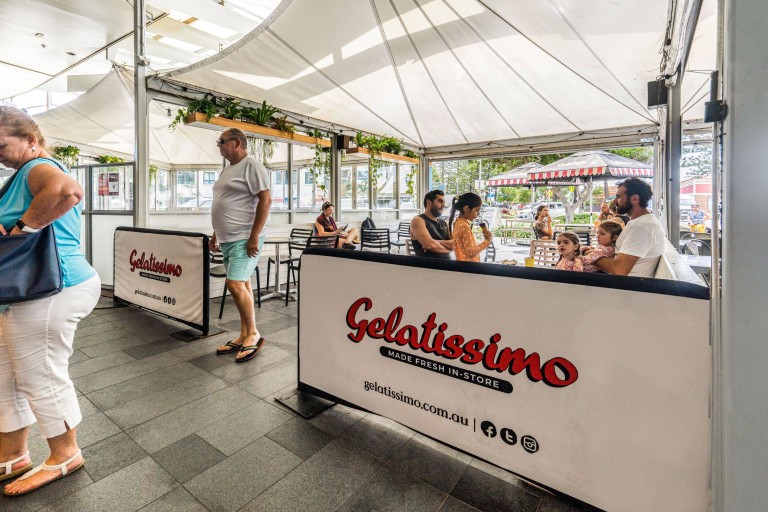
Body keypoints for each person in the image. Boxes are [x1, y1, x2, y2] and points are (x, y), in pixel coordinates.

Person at [0, 106, 100, 495]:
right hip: (23, 291)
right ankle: (13, 455)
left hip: (53, 287)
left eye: (0, 144)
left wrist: (20, 229)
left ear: (30, 140)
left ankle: (65, 454)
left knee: (39, 373)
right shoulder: (21, 174)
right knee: (7, 375)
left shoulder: (37, 168)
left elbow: (66, 191)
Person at [210, 128, 271, 362]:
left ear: (236, 143)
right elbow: (224, 202)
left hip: (244, 237)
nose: (219, 145)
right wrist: (215, 233)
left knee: (234, 284)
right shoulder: (227, 169)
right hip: (228, 238)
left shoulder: (252, 166)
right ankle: (244, 334)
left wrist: (255, 235)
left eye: (222, 141)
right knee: (242, 284)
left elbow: (266, 199)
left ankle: (253, 333)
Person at [595, 177, 667, 277]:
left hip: (624, 285)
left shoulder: (640, 227)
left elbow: (619, 269)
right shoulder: (642, 222)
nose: (614, 202)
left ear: (634, 199)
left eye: (619, 197)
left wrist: (592, 257)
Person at [449, 192, 493, 262]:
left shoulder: (458, 223)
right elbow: (471, 252)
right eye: (477, 210)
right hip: (469, 266)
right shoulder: (464, 226)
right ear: (466, 209)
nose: (478, 214)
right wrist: (488, 241)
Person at [410, 190, 453, 258]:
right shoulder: (418, 221)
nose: (443, 205)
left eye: (444, 202)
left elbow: (456, 244)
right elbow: (430, 245)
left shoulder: (445, 223)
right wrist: (449, 250)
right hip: (428, 264)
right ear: (429, 202)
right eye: (440, 201)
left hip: (448, 264)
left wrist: (435, 242)